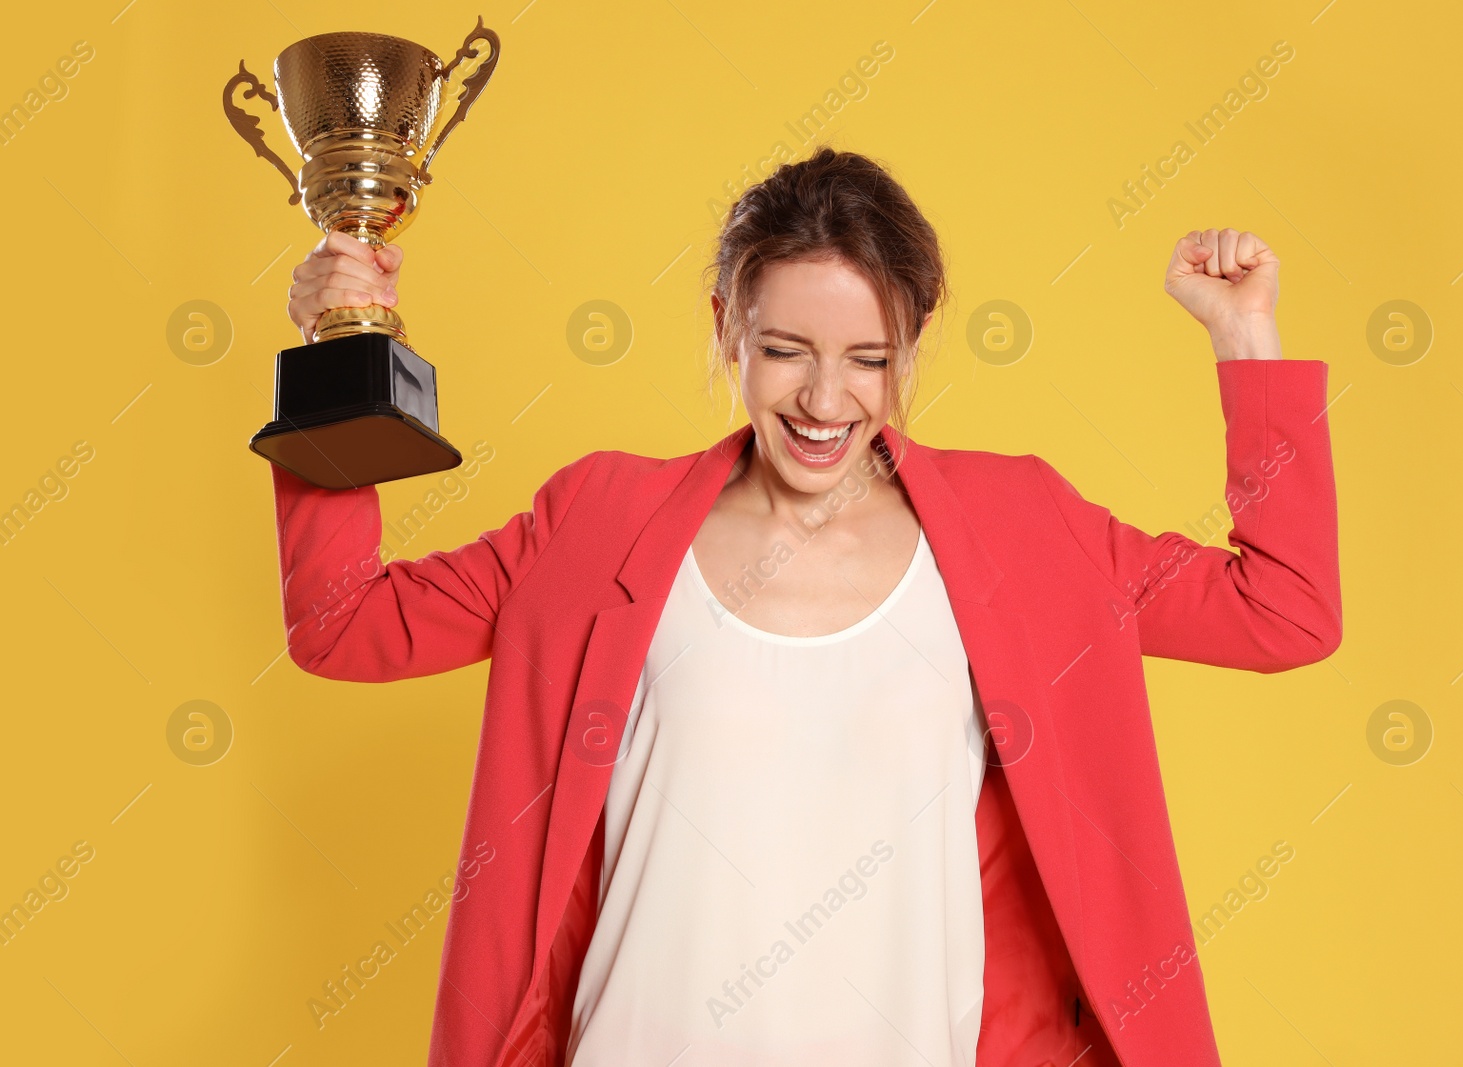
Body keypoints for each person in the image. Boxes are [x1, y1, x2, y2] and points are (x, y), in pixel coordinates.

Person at [274, 146, 1340, 1067]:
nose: (825, 403)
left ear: (913, 347)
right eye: (785, 351)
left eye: (867, 360)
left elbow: (1280, 607)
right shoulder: (597, 519)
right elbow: (343, 620)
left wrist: (1245, 340)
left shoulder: (1022, 527)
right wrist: (342, 346)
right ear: (727, 326)